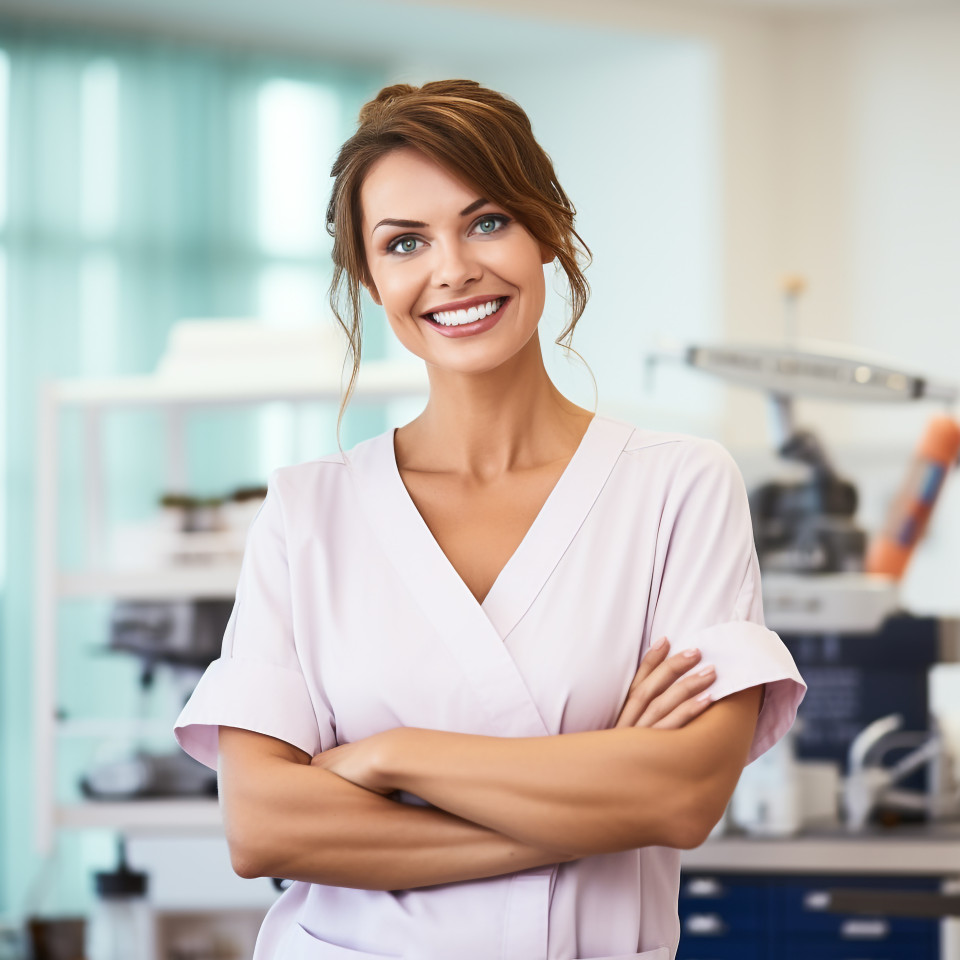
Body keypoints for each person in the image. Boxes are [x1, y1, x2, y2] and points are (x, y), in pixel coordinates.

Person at [174, 79, 806, 960]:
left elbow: (682, 798)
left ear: (546, 227)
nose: (453, 270)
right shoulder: (307, 510)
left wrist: (391, 758)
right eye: (404, 242)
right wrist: (594, 797)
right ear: (371, 276)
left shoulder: (678, 487)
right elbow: (265, 827)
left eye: (486, 222)